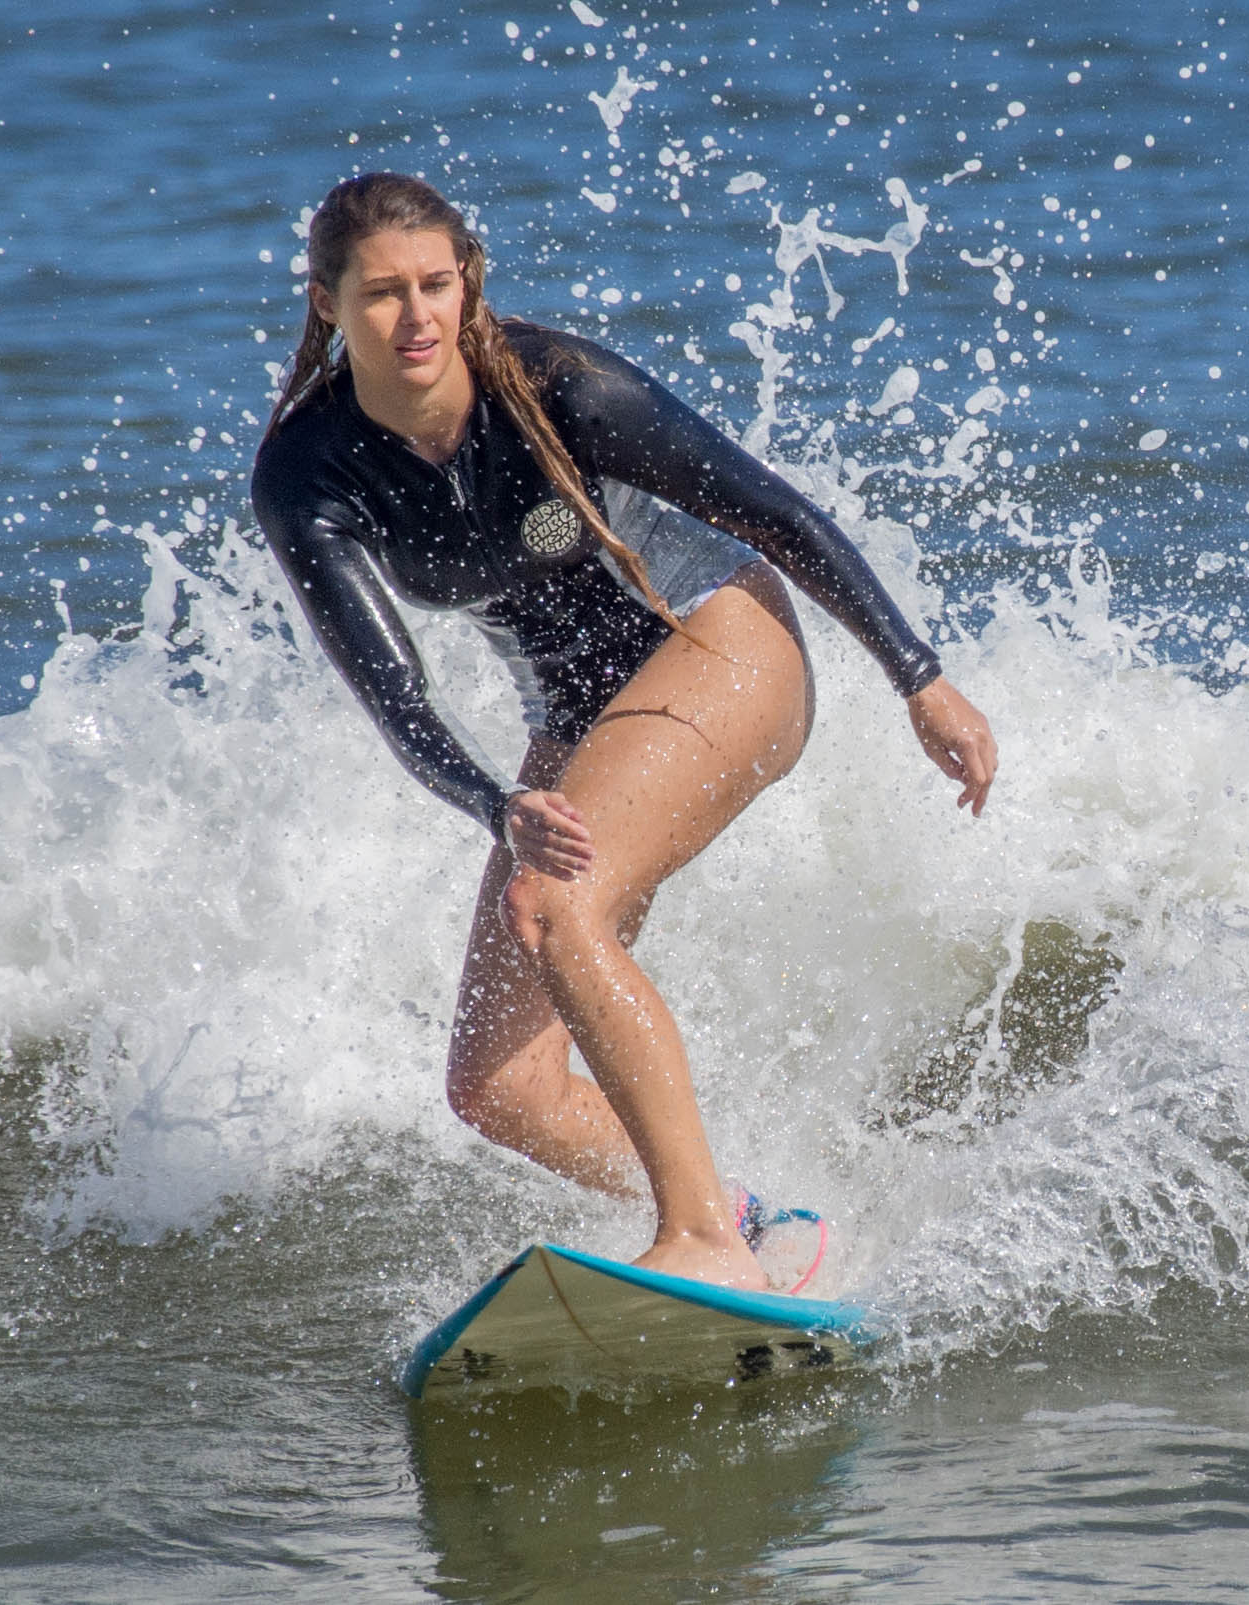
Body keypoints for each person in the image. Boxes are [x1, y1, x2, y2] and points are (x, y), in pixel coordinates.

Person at [248, 173, 998, 1291]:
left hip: (718, 642)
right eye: (381, 295)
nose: (415, 318)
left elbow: (772, 511)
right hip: (571, 718)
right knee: (499, 1087)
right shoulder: (305, 478)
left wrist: (917, 678)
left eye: (436, 286)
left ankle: (699, 1236)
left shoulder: (557, 386)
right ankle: (753, 1216)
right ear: (326, 305)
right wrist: (494, 803)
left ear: (467, 284)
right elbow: (396, 696)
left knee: (555, 903)